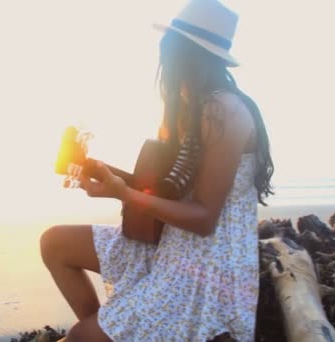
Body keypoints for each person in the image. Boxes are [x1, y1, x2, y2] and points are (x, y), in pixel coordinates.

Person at [40, 0, 274, 341]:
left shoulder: (223, 110)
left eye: (170, 50)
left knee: (78, 337)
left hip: (205, 268)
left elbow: (204, 218)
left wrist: (125, 193)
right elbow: (169, 187)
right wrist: (102, 175)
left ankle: (110, 332)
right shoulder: (191, 104)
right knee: (55, 244)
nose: (163, 61)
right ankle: (116, 331)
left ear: (188, 54)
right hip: (170, 244)